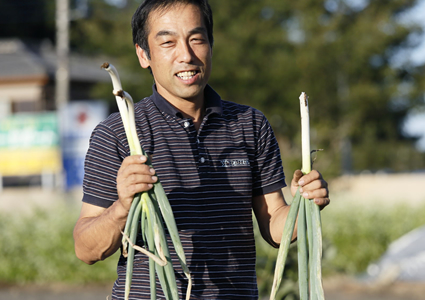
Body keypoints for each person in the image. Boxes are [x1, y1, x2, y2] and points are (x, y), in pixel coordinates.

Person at [73, 0, 330, 299]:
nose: (186, 55)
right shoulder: (118, 132)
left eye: (197, 39)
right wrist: (123, 207)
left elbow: (275, 227)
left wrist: (305, 204)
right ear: (144, 54)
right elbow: (86, 249)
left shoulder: (251, 124)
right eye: (168, 42)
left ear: (211, 45)